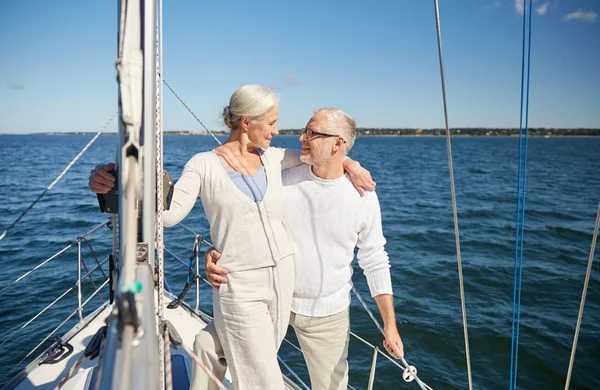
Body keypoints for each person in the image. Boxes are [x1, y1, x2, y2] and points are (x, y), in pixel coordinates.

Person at [88, 86, 375, 390]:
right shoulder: (203, 164)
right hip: (238, 285)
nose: (277, 131)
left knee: (250, 368)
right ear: (246, 121)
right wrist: (110, 183)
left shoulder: (275, 159)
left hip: (282, 282)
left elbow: (321, 157)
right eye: (271, 123)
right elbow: (169, 215)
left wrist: (352, 165)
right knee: (263, 381)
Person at [204, 108, 404, 390]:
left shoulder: (363, 196)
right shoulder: (281, 179)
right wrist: (214, 252)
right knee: (219, 355)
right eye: (304, 130)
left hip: (328, 313)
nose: (302, 138)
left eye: (312, 133)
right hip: (270, 299)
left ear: (337, 144)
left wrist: (390, 325)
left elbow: (374, 259)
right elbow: (241, 219)